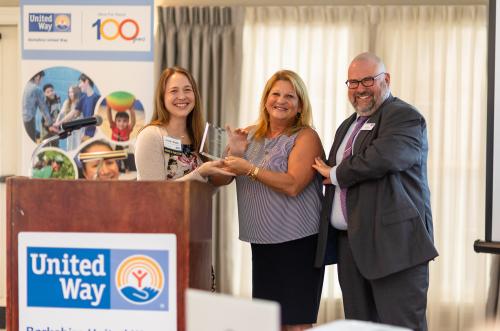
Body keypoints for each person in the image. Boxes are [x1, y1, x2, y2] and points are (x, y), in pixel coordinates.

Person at [312, 52, 438, 331]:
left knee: (401, 326)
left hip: (394, 246)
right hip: (352, 246)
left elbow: (385, 157)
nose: (360, 89)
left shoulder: (404, 116)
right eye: (353, 82)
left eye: (368, 80)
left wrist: (335, 174)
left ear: (386, 80)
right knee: (360, 327)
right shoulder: (348, 125)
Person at [222, 70, 325, 331]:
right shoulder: (248, 135)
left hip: (299, 244)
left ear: (300, 105)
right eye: (275, 93)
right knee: (269, 324)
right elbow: (219, 181)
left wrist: (249, 169)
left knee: (296, 325)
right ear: (266, 98)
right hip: (264, 244)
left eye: (290, 96)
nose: (281, 100)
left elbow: (292, 185)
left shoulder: (305, 137)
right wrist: (233, 154)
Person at [134, 66, 231, 181]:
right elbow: (154, 192)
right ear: (162, 98)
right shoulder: (150, 136)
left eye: (187, 90)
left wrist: (234, 153)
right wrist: (200, 173)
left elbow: (213, 185)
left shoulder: (202, 136)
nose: (182, 97)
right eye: (174, 91)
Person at [61, 73, 100, 141]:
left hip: (94, 135)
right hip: (86, 134)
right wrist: (60, 123)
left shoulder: (97, 98)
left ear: (87, 81)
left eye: (81, 82)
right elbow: (73, 112)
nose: (79, 85)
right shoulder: (83, 98)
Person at [22, 71, 52, 142]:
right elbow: (44, 109)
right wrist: (50, 124)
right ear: (38, 77)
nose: (41, 81)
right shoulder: (36, 89)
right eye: (42, 79)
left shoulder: (24, 85)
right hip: (28, 121)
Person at [53, 85, 83, 150]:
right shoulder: (67, 102)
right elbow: (61, 113)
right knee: (69, 145)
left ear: (76, 92)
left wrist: (60, 122)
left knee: (78, 145)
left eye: (72, 92)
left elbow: (72, 114)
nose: (70, 94)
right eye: (69, 92)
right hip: (69, 128)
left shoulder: (80, 103)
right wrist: (56, 122)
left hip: (78, 129)